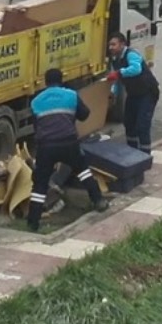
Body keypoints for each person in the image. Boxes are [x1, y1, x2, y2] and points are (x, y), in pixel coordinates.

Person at [27, 68, 109, 232]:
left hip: (46, 146)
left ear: (46, 82)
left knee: (40, 183)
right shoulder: (71, 95)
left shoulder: (36, 101)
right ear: (61, 80)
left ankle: (33, 222)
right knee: (83, 170)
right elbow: (84, 115)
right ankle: (98, 200)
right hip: (68, 143)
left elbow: (37, 127)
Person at [107, 32, 160, 155]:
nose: (111, 47)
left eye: (113, 44)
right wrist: (112, 93)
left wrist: (119, 73)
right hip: (134, 94)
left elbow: (136, 69)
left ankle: (144, 156)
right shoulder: (116, 60)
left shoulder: (131, 54)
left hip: (147, 93)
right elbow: (117, 80)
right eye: (110, 45)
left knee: (142, 126)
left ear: (122, 44)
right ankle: (132, 153)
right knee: (129, 123)